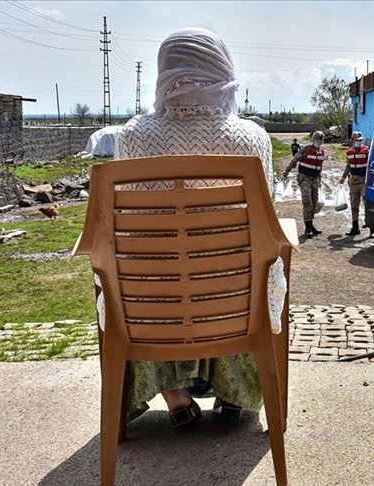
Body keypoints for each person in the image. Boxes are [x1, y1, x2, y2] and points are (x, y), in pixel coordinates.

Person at [113, 27, 272, 426]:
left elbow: (125, 233)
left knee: (158, 278)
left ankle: (176, 396)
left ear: (164, 72)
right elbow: (265, 224)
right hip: (232, 301)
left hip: (154, 302)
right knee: (242, 272)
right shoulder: (251, 139)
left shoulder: (132, 138)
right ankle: (235, 392)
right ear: (222, 69)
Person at [282, 131, 326, 238]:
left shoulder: (321, 152)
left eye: (321, 140)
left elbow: (319, 167)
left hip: (315, 180)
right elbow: (294, 160)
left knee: (314, 203)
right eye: (317, 140)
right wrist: (286, 172)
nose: (319, 142)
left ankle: (311, 224)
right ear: (313, 140)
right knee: (308, 203)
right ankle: (308, 227)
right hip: (305, 179)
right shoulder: (306, 150)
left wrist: (320, 179)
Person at [339, 131, 374, 237]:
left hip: (364, 180)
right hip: (353, 181)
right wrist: (343, 177)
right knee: (354, 204)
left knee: (366, 203)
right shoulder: (349, 153)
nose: (359, 142)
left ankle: (372, 229)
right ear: (352, 140)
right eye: (357, 140)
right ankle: (355, 227)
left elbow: (371, 165)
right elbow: (348, 166)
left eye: (360, 140)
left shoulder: (366, 151)